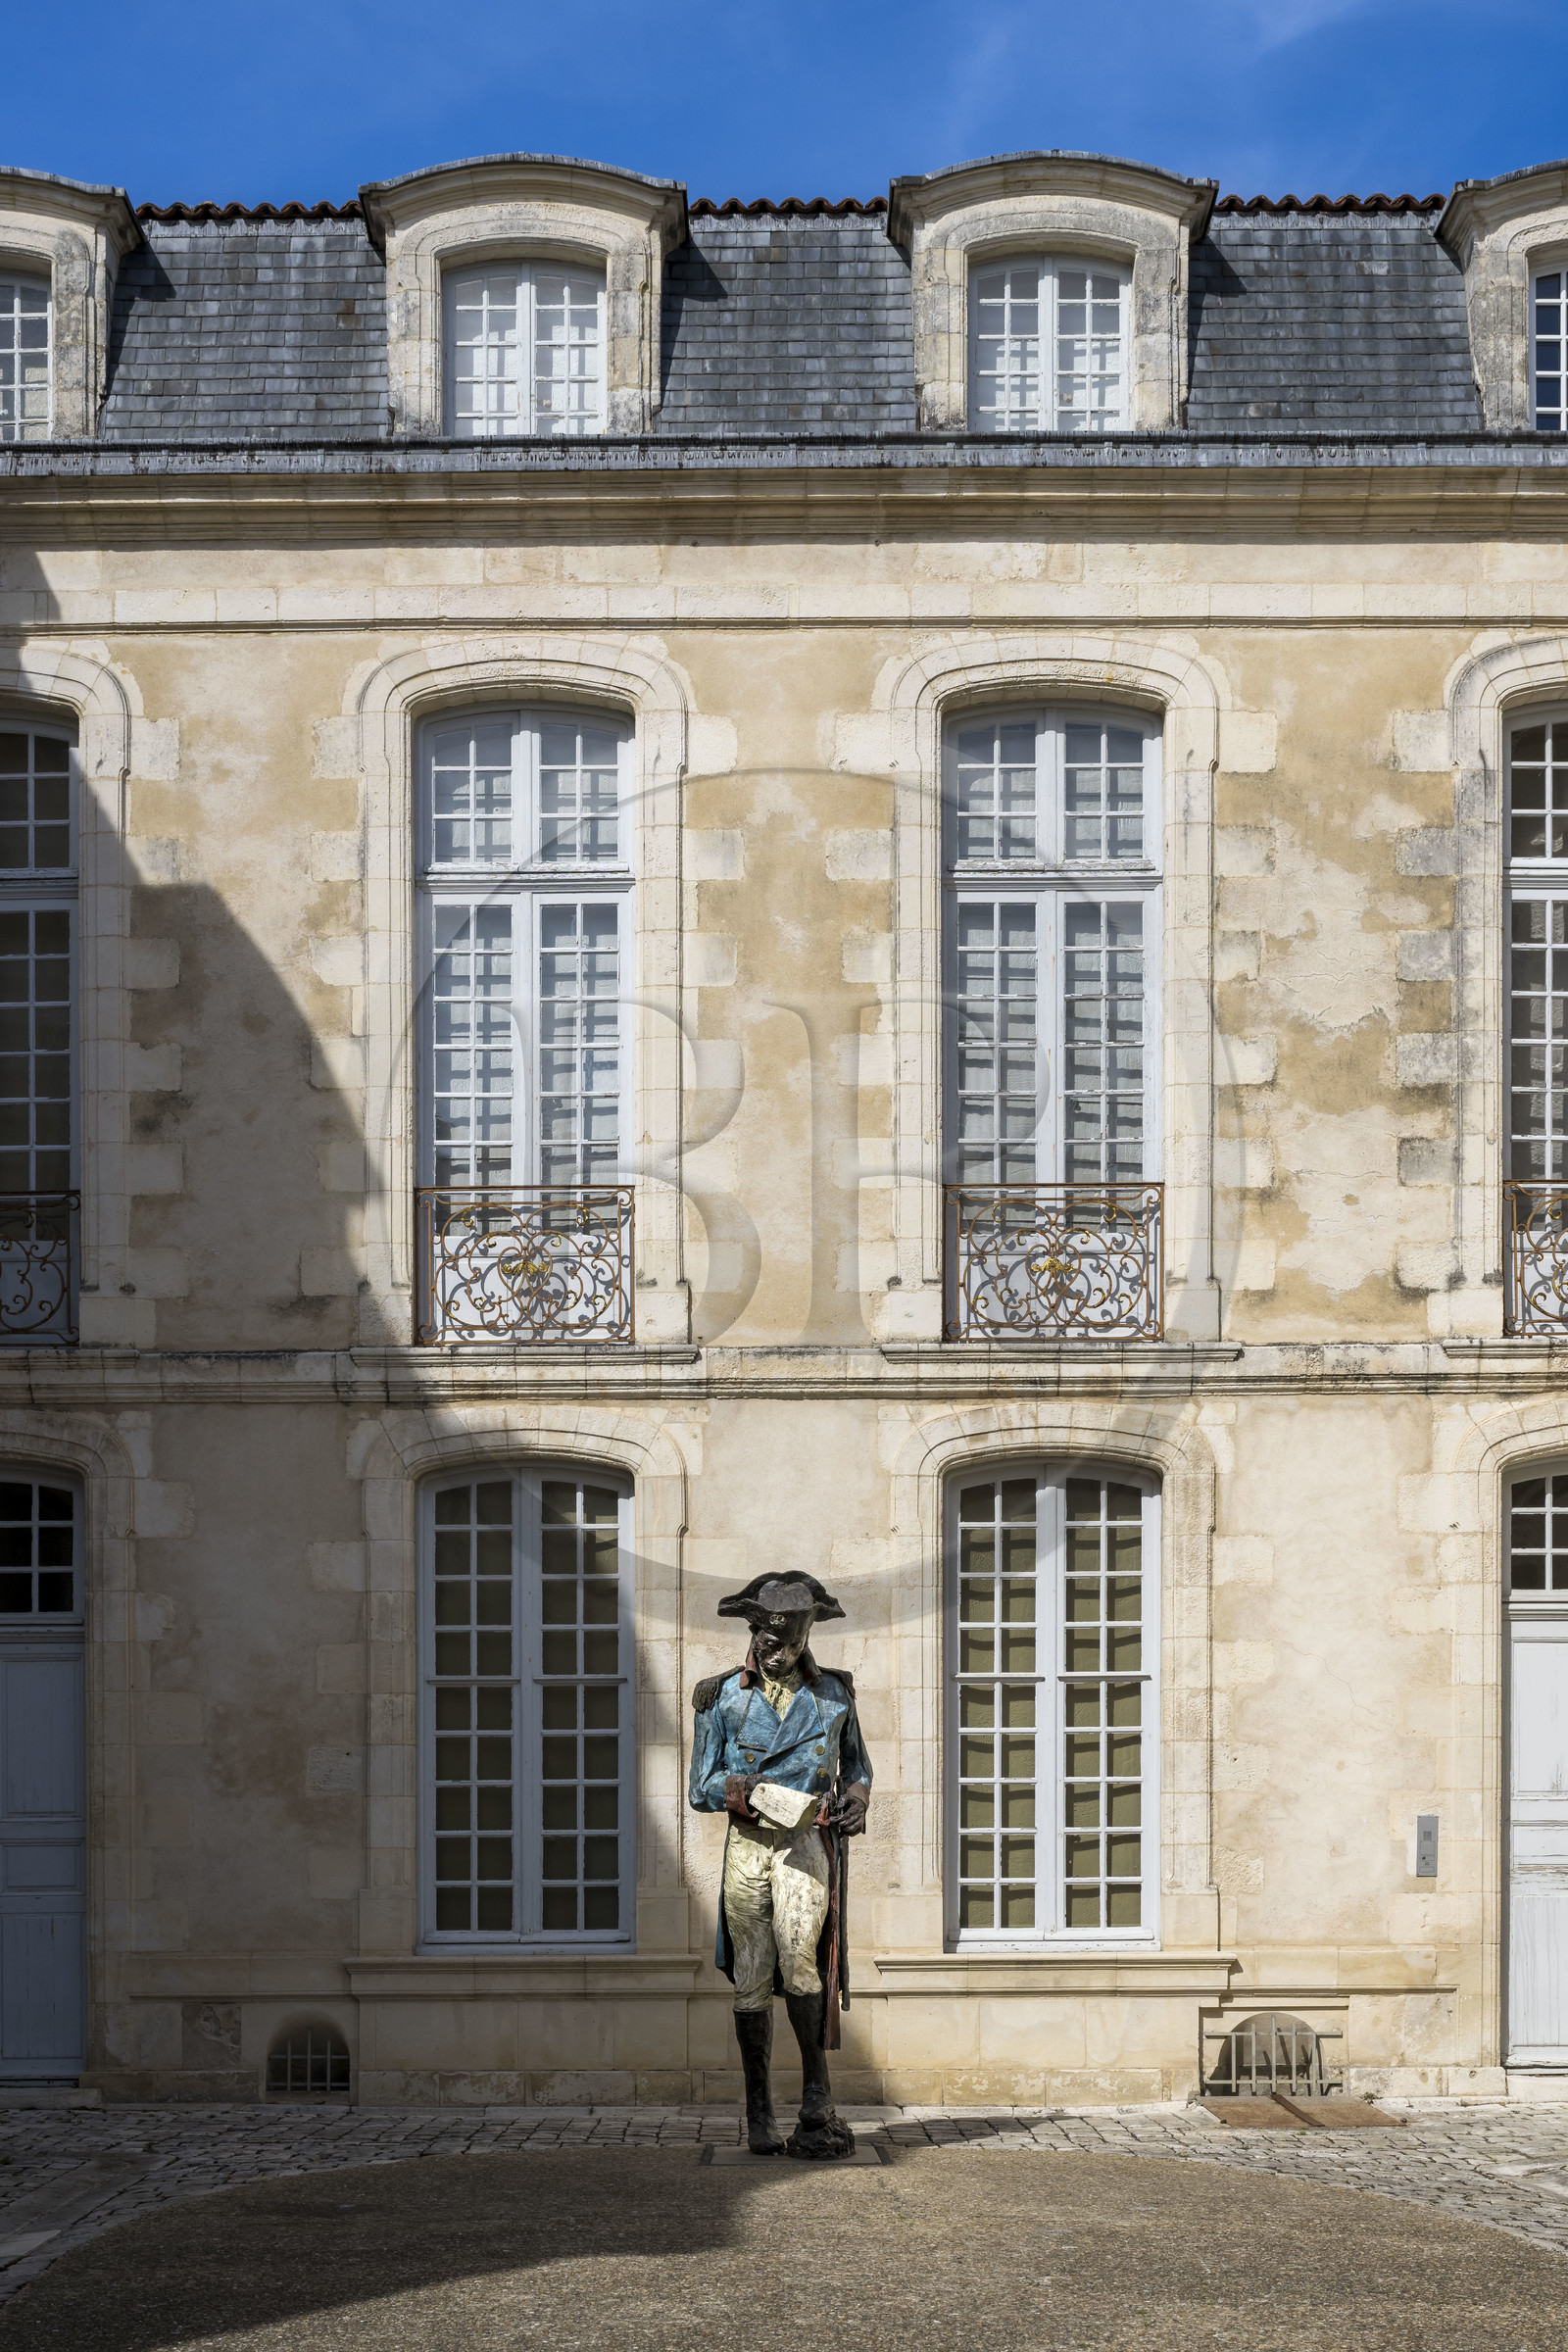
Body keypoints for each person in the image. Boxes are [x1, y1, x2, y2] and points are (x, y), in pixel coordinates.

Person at [688, 1573, 871, 2158]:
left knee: (800, 1962)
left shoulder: (835, 1696)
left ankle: (816, 2095)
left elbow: (857, 1767)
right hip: (748, 1846)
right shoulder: (720, 1698)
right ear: (753, 1632)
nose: (777, 1652)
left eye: (789, 1643)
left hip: (806, 1845)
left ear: (807, 1635)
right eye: (768, 1643)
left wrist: (857, 1803)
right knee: (751, 1976)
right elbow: (700, 1786)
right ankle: (758, 2111)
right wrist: (742, 1790)